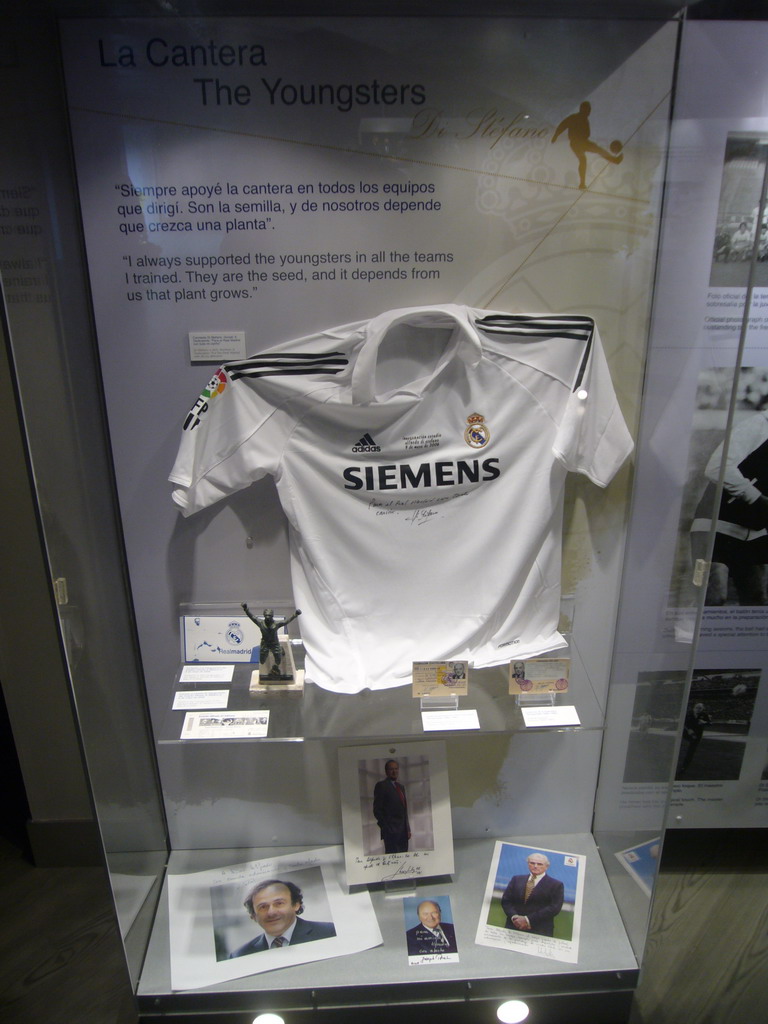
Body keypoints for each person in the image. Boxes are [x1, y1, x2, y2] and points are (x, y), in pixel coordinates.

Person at [227, 878, 335, 957]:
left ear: (296, 905)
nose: (271, 912)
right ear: (253, 916)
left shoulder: (329, 933)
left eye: (279, 903)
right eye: (263, 907)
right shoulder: (240, 955)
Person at [551, 101, 623, 189]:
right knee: (585, 158)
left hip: (583, 142)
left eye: (589, 110)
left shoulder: (584, 118)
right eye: (588, 110)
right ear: (583, 109)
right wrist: (555, 135)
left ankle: (614, 160)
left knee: (595, 151)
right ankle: (582, 184)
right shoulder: (575, 118)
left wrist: (556, 135)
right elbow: (563, 125)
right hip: (577, 143)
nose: (589, 112)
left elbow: (584, 132)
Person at [501, 852, 564, 937]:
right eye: (532, 863)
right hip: (513, 926)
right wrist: (515, 917)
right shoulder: (516, 879)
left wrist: (527, 919)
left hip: (539, 930)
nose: (535, 866)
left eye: (539, 864)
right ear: (528, 864)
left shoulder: (556, 885)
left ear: (546, 866)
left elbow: (554, 908)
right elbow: (506, 901)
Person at [241, 604, 301, 678]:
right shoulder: (260, 623)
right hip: (265, 643)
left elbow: (286, 622)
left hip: (274, 643)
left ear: (272, 616)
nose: (267, 617)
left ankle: (280, 652)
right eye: (266, 615)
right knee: (262, 660)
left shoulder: (276, 624)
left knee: (278, 660)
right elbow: (252, 617)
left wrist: (295, 614)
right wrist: (246, 609)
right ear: (264, 615)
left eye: (269, 616)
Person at [372, 759, 411, 853]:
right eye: (391, 769)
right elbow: (377, 810)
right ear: (386, 771)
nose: (394, 771)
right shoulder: (381, 786)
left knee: (404, 858)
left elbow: (404, 811)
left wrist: (408, 829)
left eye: (396, 769)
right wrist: (387, 829)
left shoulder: (401, 787)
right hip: (391, 833)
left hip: (403, 833)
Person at [677, 702, 712, 776]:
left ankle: (684, 767)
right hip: (686, 734)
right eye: (697, 707)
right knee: (680, 747)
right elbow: (683, 723)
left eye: (700, 708)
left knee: (691, 752)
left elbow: (710, 723)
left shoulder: (704, 715)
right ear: (694, 708)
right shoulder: (689, 714)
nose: (698, 709)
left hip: (697, 736)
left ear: (702, 709)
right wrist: (688, 729)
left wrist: (704, 722)